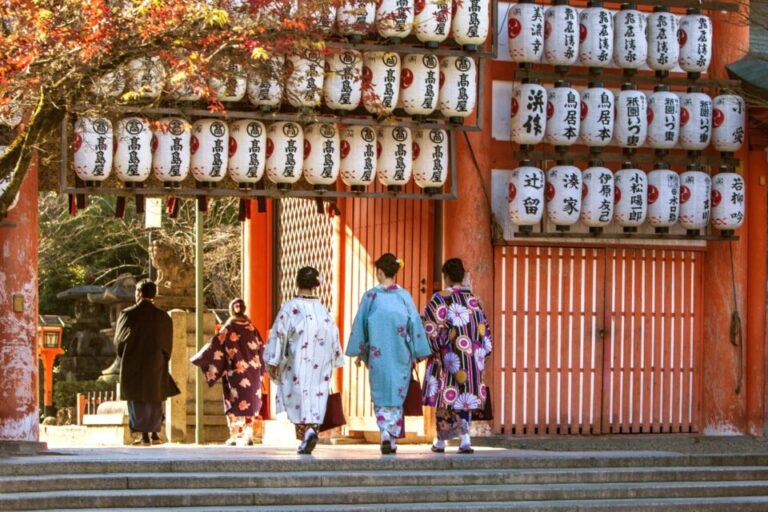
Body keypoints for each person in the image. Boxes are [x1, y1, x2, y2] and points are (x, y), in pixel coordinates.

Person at [345, 253, 432, 455]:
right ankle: (391, 438)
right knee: (396, 393)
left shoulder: (370, 297)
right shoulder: (404, 297)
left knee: (381, 392)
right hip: (400, 352)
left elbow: (361, 324)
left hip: (378, 353)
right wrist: (417, 352)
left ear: (380, 272)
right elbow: (415, 325)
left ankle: (385, 431)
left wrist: (361, 349)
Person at [264, 266, 344, 455]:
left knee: (299, 397)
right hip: (320, 362)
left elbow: (279, 335)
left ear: (297, 282)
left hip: (297, 361)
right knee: (316, 397)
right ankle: (312, 430)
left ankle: (305, 434)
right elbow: (334, 335)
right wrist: (335, 357)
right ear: (315, 285)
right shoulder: (323, 310)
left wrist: (274, 360)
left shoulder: (291, 307)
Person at [421, 258, 492, 454]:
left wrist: (437, 344)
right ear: (463, 276)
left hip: (448, 357)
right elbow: (485, 333)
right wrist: (479, 355)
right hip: (472, 357)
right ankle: (465, 439)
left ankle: (442, 441)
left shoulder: (440, 299)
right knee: (465, 396)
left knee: (447, 395)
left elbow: (431, 330)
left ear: (445, 277)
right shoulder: (474, 301)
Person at [191, 298, 265, 446]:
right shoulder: (252, 328)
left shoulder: (228, 328)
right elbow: (261, 350)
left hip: (235, 371)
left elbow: (214, 346)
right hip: (253, 371)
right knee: (250, 401)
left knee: (234, 401)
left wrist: (200, 358)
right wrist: (261, 369)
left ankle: (236, 434)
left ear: (232, 310)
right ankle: (249, 432)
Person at [115, 279, 180, 446]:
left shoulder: (128, 314)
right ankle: (155, 435)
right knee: (154, 397)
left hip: (133, 361)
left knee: (137, 399)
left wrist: (124, 354)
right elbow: (167, 343)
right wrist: (163, 357)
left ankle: (143, 435)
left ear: (138, 293)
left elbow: (119, 341)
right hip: (156, 361)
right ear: (154, 294)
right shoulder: (163, 316)